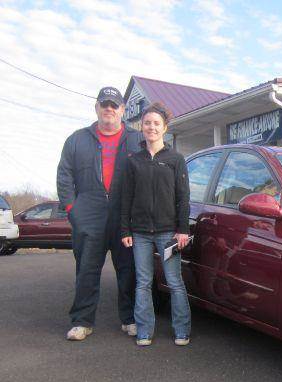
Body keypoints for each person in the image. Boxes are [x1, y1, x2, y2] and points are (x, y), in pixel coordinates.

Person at [57, 87, 141, 341]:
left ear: (123, 110)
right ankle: (82, 321)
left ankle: (129, 318)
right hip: (89, 213)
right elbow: (64, 176)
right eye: (104, 104)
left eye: (114, 105)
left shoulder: (137, 139)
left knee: (128, 269)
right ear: (96, 108)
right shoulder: (77, 139)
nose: (109, 109)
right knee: (87, 269)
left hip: (123, 213)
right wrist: (73, 210)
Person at [120, 102, 191, 346]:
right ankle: (144, 331)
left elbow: (183, 197)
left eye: (156, 123)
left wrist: (183, 230)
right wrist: (125, 230)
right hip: (139, 233)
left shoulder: (176, 159)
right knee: (142, 283)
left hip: (168, 233)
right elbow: (125, 198)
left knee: (174, 282)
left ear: (165, 128)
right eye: (147, 123)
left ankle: (181, 330)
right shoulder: (133, 161)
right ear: (141, 127)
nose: (151, 127)